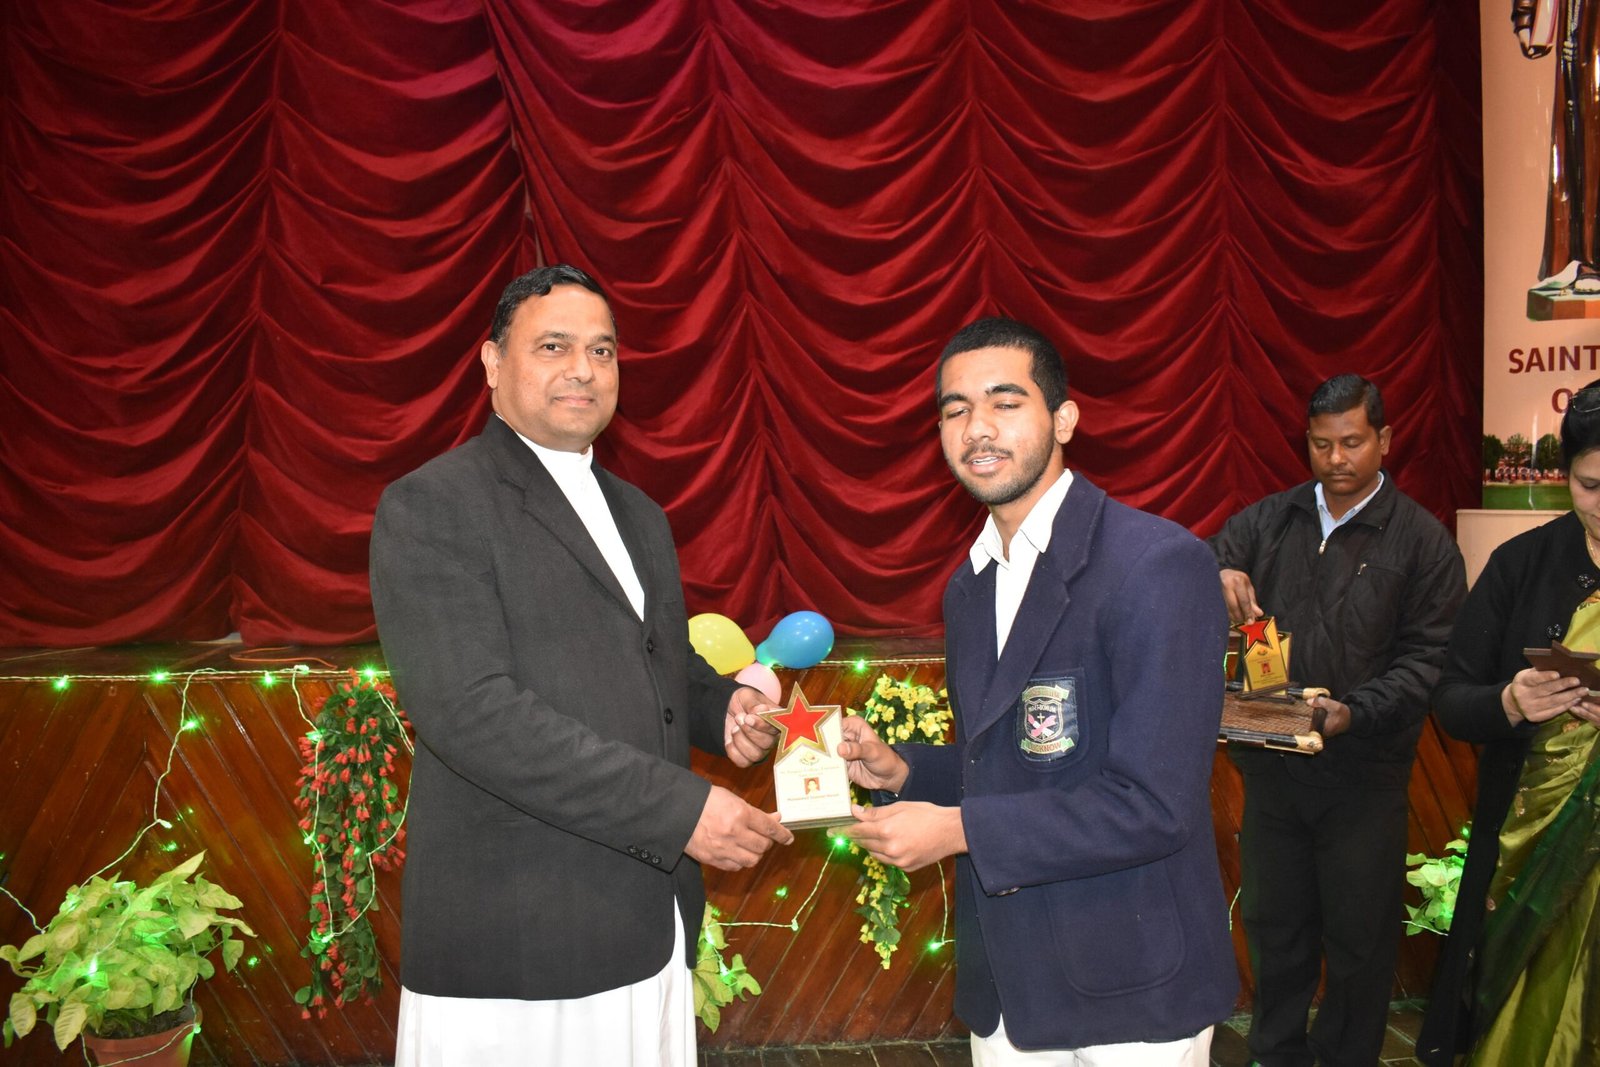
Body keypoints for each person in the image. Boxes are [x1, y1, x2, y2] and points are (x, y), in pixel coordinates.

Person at [369, 264, 792, 1066]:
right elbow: (471, 712)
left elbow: (658, 666)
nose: (584, 369)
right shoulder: (434, 504)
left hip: (648, 924)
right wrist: (680, 808)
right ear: (492, 363)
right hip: (519, 945)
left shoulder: (641, 513)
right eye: (554, 346)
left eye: (602, 350)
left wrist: (724, 710)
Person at [838, 317, 1238, 1064]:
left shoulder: (1157, 563)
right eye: (955, 409)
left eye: (1004, 401)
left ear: (1064, 419)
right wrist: (902, 767)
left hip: (1132, 987)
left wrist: (959, 831)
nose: (977, 428)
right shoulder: (969, 585)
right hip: (1009, 991)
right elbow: (1014, 763)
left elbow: (1153, 805)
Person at [1207, 374, 1466, 1067]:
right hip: (1274, 769)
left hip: (1364, 775)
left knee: (1359, 942)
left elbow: (1429, 660)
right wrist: (1215, 571)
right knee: (1275, 930)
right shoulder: (1270, 520)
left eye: (1352, 442)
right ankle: (1276, 1054)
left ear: (1385, 439)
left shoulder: (1424, 542)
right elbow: (1197, 561)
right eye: (1321, 444)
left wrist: (1355, 712)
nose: (1336, 458)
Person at [1416, 380, 1600, 1067]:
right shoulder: (1522, 565)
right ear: (1564, 476)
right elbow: (1451, 698)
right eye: (1589, 486)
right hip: (1528, 849)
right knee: (1522, 1018)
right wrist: (1511, 703)